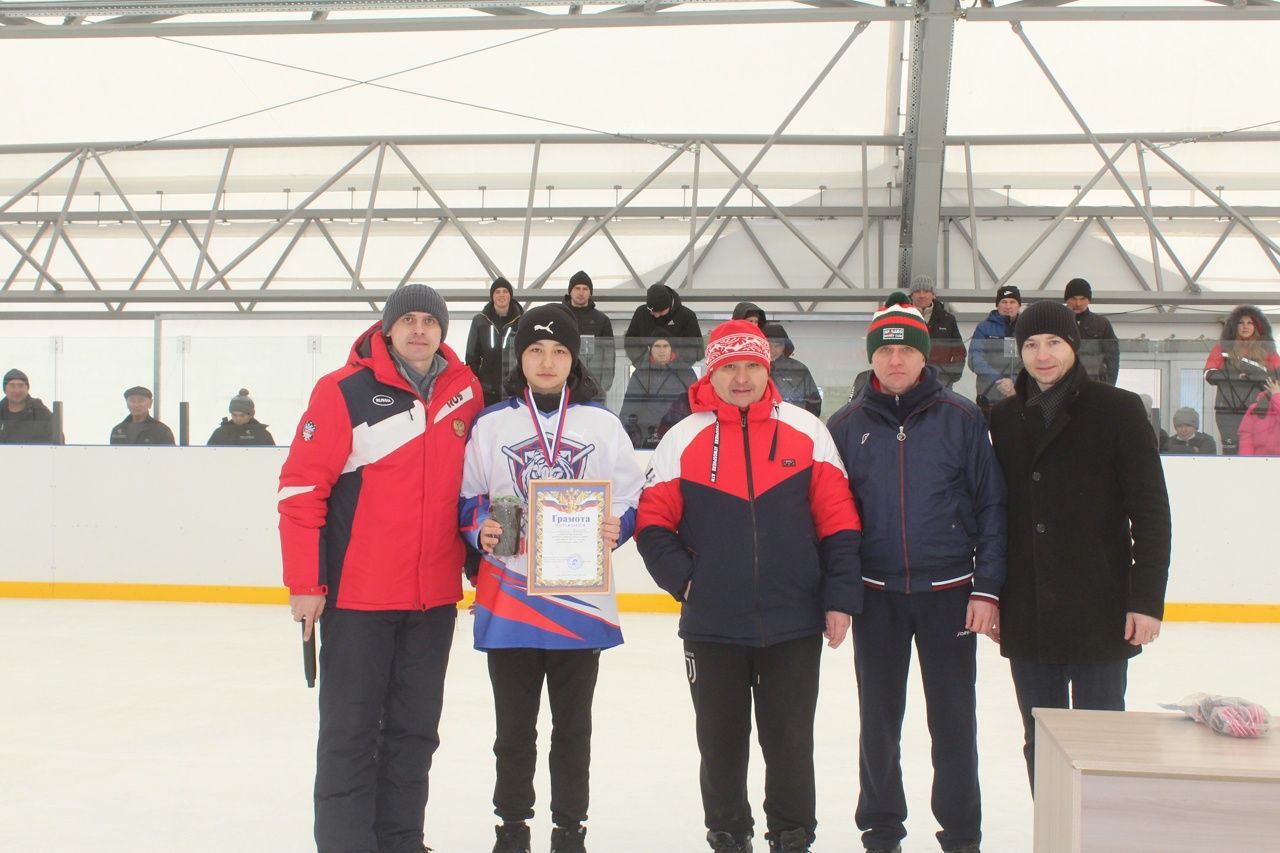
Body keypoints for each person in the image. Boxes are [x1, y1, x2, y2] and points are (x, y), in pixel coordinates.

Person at [635, 319, 863, 853]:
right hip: (713, 625)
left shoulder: (807, 431)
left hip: (794, 620)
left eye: (751, 366)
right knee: (720, 745)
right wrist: (688, 584)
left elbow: (840, 523)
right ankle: (728, 835)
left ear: (768, 369)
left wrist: (839, 599)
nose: (741, 378)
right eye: (729, 367)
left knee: (789, 743)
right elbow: (652, 526)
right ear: (711, 371)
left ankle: (791, 836)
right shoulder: (683, 437)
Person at [278, 284, 484, 853]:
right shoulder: (341, 390)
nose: (419, 330)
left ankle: (401, 842)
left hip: (432, 601)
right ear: (387, 328)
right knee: (350, 735)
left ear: (443, 331)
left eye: (430, 321)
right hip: (357, 598)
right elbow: (300, 491)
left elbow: (474, 491)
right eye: (408, 320)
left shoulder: (464, 392)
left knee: (414, 735)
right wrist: (305, 583)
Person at [459, 303, 645, 853]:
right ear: (520, 357)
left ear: (574, 359)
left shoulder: (603, 424)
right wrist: (480, 530)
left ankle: (570, 829)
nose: (547, 361)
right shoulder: (491, 425)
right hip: (509, 598)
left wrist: (620, 526)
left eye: (559, 351)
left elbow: (634, 496)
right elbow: (467, 498)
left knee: (573, 731)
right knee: (513, 732)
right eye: (536, 350)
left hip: (577, 604)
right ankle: (511, 827)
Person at [827, 292, 1005, 853]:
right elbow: (832, 517)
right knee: (878, 724)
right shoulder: (846, 424)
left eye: (906, 352)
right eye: (885, 352)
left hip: (949, 595)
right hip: (876, 597)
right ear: (872, 357)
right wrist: (839, 592)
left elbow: (991, 507)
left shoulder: (962, 418)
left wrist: (987, 587)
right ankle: (881, 831)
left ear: (926, 357)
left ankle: (961, 834)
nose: (895, 361)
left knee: (954, 722)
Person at [987, 301, 1171, 790]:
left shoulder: (1119, 410)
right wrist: (992, 594)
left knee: (1101, 737)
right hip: (1028, 610)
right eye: (1030, 344)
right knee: (1040, 738)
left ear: (1074, 345)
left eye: (1053, 342)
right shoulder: (1003, 418)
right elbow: (996, 514)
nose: (1041, 355)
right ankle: (1052, 835)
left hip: (1101, 606)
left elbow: (1151, 516)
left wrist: (1146, 601)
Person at [1203, 305, 1279, 455]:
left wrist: (1251, 376)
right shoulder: (1222, 348)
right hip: (1227, 411)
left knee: (1256, 451)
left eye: (1250, 323)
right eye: (1241, 322)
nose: (1245, 326)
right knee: (1230, 453)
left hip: (1258, 410)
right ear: (1234, 326)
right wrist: (1236, 377)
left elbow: (1277, 377)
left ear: (1257, 326)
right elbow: (1208, 374)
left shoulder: (1268, 350)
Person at [618, 336, 696, 449]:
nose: (661, 350)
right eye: (657, 346)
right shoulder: (641, 373)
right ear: (650, 349)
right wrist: (630, 436)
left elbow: (694, 406)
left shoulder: (685, 372)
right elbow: (629, 409)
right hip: (645, 436)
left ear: (671, 348)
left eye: (665, 346)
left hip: (679, 434)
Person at [468, 276, 526, 407]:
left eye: (505, 291)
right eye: (497, 292)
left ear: (510, 295)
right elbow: (472, 356)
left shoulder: (522, 320)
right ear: (492, 296)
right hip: (487, 390)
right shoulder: (479, 321)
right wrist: (475, 384)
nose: (501, 295)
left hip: (515, 389)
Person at [560, 270, 616, 401]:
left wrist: (603, 385)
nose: (581, 292)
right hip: (564, 384)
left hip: (594, 387)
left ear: (590, 292)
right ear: (570, 291)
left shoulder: (602, 319)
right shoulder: (560, 317)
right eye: (577, 288)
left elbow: (609, 354)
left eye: (585, 289)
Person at [968, 286, 1022, 414]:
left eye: (1012, 302)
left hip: (1018, 396)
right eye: (1004, 302)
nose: (1008, 306)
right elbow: (974, 359)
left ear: (1019, 305)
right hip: (989, 397)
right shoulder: (983, 328)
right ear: (997, 305)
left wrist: (1014, 382)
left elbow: (1031, 360)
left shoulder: (1026, 327)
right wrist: (999, 381)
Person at [623, 283, 703, 367]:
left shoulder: (687, 316)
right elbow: (631, 343)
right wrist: (645, 363)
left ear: (669, 306)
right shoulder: (641, 313)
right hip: (647, 373)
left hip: (678, 373)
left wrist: (675, 363)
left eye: (660, 311)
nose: (656, 315)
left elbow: (696, 350)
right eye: (652, 312)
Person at [909, 275, 966, 388]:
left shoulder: (948, 319)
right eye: (917, 291)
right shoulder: (902, 318)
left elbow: (959, 352)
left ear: (933, 294)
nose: (922, 295)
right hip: (910, 382)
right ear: (911, 295)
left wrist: (950, 376)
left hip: (941, 383)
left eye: (926, 291)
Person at [1063, 277, 1120, 386]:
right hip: (1063, 382)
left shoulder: (1101, 323)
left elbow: (1113, 359)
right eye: (1074, 298)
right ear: (1066, 299)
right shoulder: (1057, 321)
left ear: (1089, 300)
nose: (1078, 303)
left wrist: (1108, 386)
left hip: (1093, 384)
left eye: (1083, 298)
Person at [763, 323, 822, 416]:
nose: (772, 350)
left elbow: (814, 402)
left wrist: (805, 423)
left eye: (777, 345)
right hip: (760, 425)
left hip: (793, 424)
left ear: (784, 347)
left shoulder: (799, 369)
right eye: (768, 345)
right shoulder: (751, 367)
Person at [0, 368, 57, 445]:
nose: (17, 390)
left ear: (27, 388)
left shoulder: (39, 411)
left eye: (21, 385)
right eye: (12, 385)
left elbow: (57, 438)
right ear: (4, 389)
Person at [109, 386, 175, 445]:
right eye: (132, 400)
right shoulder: (117, 431)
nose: (136, 405)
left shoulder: (162, 430)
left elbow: (170, 456)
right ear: (127, 403)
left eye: (141, 400)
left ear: (150, 403)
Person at [207, 389, 275, 446]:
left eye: (242, 415)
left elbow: (274, 458)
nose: (238, 418)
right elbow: (208, 455)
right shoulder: (220, 433)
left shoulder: (263, 435)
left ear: (250, 415)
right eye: (234, 415)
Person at [1239, 378, 1280, 456]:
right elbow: (1246, 439)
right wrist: (1246, 462)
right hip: (1259, 462)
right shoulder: (1256, 408)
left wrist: (1277, 397)